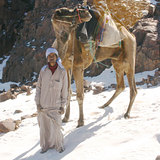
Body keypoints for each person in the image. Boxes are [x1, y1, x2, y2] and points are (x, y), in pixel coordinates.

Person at [35, 47, 68, 153]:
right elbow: (38, 87)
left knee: (57, 127)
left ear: (56, 57)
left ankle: (59, 145)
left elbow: (64, 89)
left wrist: (63, 105)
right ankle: (45, 146)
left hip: (56, 105)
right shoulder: (43, 71)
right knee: (44, 128)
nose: (51, 57)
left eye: (53, 55)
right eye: (49, 56)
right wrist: (37, 103)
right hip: (43, 104)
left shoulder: (62, 72)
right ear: (47, 58)